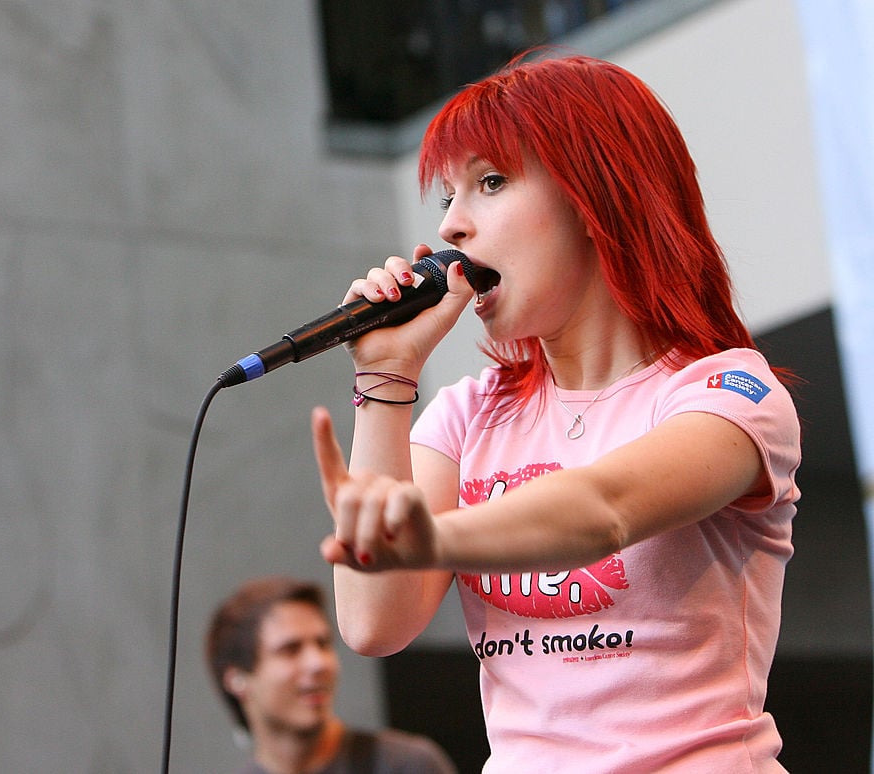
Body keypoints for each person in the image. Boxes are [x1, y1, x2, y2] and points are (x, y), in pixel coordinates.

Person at [309, 52, 801, 772]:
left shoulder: (729, 395)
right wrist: (386, 380)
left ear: (597, 196)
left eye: (490, 182)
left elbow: (603, 510)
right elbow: (371, 622)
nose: (452, 227)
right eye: (445, 198)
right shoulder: (469, 413)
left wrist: (432, 540)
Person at [205, 575, 458, 774]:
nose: (318, 663)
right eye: (290, 650)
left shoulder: (408, 765)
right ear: (237, 680)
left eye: (323, 644)